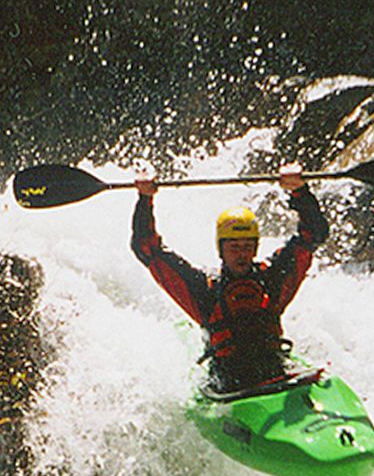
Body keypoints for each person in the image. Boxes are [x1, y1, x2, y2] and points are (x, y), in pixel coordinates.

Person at [130, 162, 329, 397]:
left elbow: (313, 235)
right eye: (233, 247)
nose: (241, 254)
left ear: (256, 248)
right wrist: (145, 198)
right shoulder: (204, 291)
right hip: (229, 389)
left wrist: (300, 191)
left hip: (275, 376)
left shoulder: (272, 279)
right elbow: (147, 249)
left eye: (247, 246)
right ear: (220, 250)